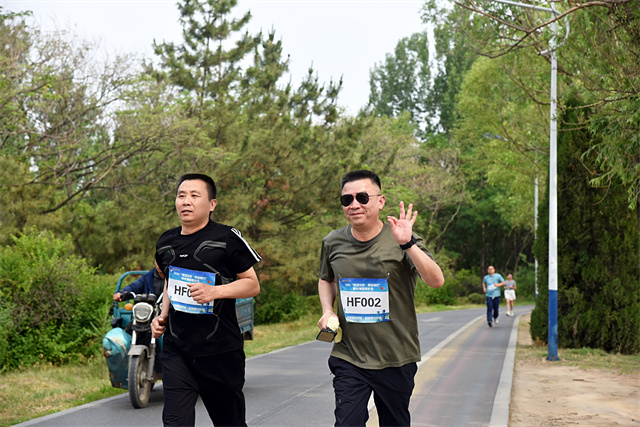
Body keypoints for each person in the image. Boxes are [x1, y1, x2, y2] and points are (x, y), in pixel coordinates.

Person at [317, 170, 445, 427]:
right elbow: (326, 278)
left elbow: (436, 280)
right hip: (349, 356)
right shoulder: (333, 241)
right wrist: (328, 310)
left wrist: (408, 244)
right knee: (347, 423)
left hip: (396, 356)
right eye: (347, 199)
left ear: (380, 201)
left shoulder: (402, 238)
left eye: (362, 197)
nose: (354, 205)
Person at [151, 173, 261, 427]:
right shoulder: (165, 242)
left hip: (220, 353)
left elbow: (252, 284)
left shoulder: (227, 238)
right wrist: (162, 315)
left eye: (194, 195)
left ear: (212, 204)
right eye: (181, 195)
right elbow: (169, 280)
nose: (186, 201)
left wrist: (215, 292)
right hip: (177, 352)